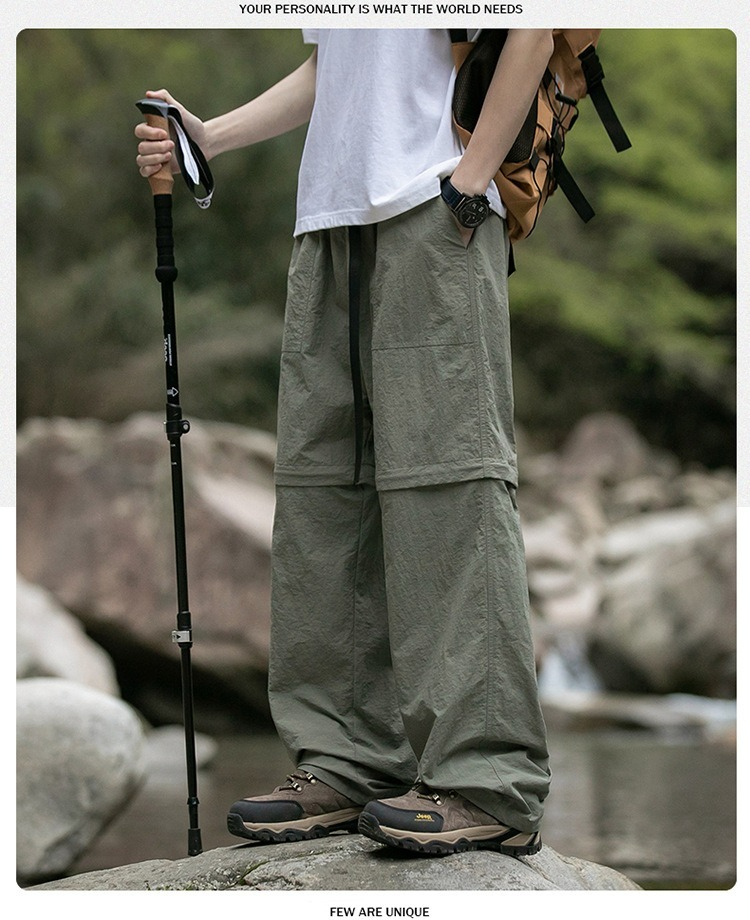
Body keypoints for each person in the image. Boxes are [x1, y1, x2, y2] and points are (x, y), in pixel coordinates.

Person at [136, 28, 552, 857]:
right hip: (327, 221)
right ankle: (347, 759)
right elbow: (335, 62)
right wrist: (210, 136)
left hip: (437, 209)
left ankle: (487, 781)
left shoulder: (455, 195)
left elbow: (533, 26)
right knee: (324, 493)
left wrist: (470, 185)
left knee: (449, 486)